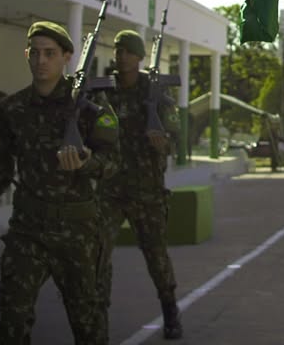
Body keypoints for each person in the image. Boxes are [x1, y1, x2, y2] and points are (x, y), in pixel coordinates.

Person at [0, 21, 119, 344]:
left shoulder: (89, 105)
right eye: (35, 53)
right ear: (27, 55)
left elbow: (113, 163)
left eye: (50, 53)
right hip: (28, 230)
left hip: (77, 232)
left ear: (66, 57)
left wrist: (87, 162)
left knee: (88, 323)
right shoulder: (12, 109)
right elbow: (0, 167)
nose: (41, 61)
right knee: (12, 321)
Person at [98, 30, 184, 339]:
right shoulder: (103, 90)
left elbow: (176, 137)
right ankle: (96, 315)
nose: (121, 57)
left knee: (155, 255)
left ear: (139, 57)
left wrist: (162, 143)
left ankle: (170, 310)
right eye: (118, 51)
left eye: (128, 52)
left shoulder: (156, 91)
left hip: (147, 190)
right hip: (110, 188)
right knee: (98, 254)